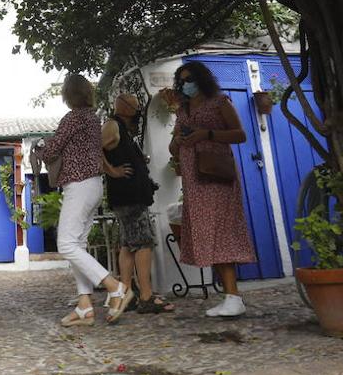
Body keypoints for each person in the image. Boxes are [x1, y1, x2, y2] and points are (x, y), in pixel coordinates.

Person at [38, 73, 134, 326]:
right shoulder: (93, 119)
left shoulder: (72, 118)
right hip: (93, 185)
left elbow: (51, 150)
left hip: (78, 185)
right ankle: (85, 307)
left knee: (66, 244)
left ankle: (115, 287)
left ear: (68, 96)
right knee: (77, 245)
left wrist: (39, 150)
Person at [169, 61, 254, 318]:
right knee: (209, 232)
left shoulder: (219, 102)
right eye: (181, 80)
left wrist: (206, 134)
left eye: (189, 78)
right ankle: (230, 296)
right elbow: (173, 148)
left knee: (220, 230)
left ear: (202, 79)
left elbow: (240, 135)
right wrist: (180, 140)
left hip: (216, 177)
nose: (185, 84)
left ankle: (233, 296)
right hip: (194, 182)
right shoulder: (183, 108)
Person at [102, 93, 174, 314]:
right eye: (134, 104)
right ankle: (146, 296)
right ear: (123, 106)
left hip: (130, 196)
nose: (137, 108)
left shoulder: (122, 129)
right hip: (128, 197)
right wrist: (112, 170)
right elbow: (95, 150)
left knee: (128, 244)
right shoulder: (112, 125)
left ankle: (125, 293)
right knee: (143, 242)